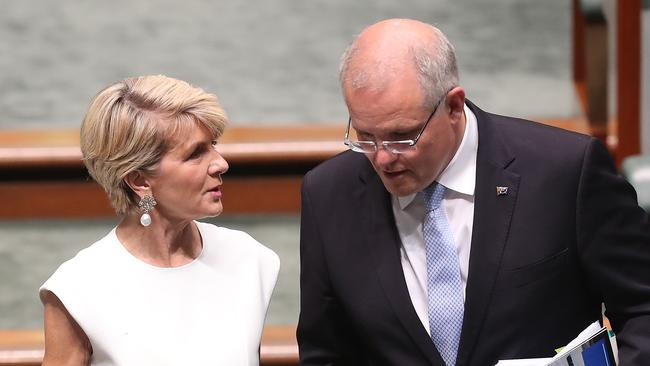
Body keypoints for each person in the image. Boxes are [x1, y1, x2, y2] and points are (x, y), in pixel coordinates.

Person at [297, 18, 650, 366]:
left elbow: (642, 309)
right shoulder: (328, 195)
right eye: (365, 137)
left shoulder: (565, 172)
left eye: (402, 136)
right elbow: (326, 353)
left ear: (453, 106)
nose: (384, 158)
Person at [39, 75, 280, 365]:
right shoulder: (78, 288)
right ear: (139, 180)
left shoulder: (249, 258)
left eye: (213, 144)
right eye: (195, 154)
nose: (220, 163)